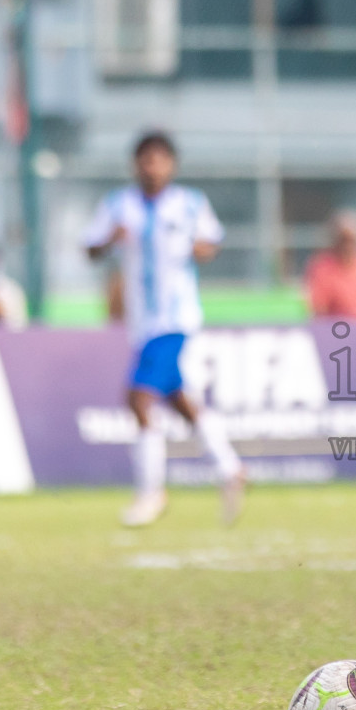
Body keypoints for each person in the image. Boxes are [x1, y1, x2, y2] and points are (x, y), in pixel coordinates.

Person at [84, 131, 247, 528]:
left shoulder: (190, 203)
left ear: (171, 164)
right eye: (144, 159)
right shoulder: (118, 206)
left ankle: (150, 492)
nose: (151, 166)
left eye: (158, 159)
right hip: (141, 322)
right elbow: (90, 249)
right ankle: (229, 469)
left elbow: (212, 243)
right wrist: (109, 240)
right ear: (135, 164)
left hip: (176, 319)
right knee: (178, 399)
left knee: (139, 398)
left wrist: (198, 249)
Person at [304, 210, 356, 320]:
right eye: (344, 240)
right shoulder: (321, 269)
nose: (348, 246)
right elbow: (318, 312)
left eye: (353, 240)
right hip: (336, 332)